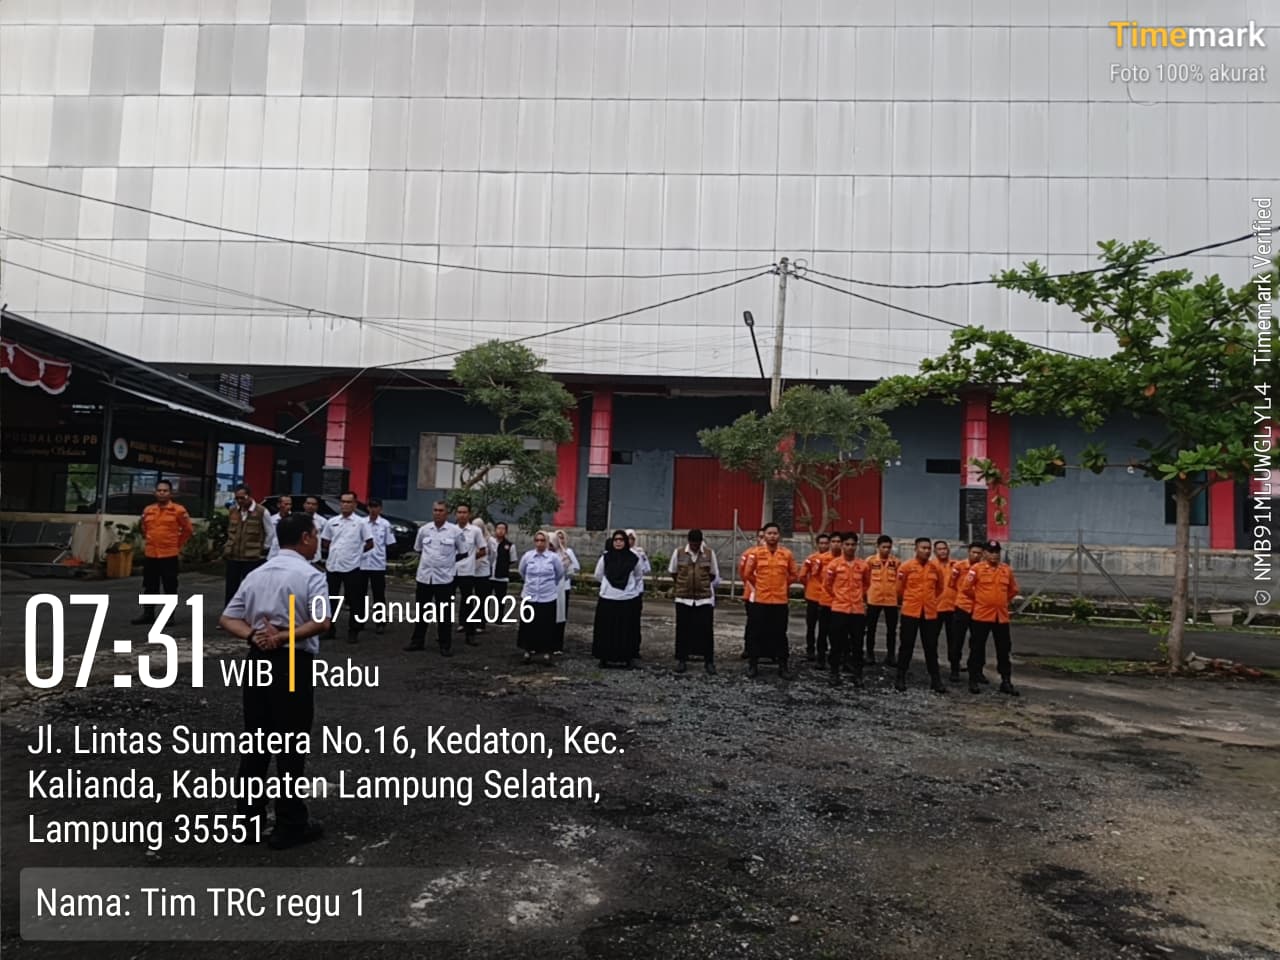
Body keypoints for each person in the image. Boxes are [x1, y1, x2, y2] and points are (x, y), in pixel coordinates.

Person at [218, 511, 330, 850]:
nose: (317, 541)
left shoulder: (257, 574)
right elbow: (322, 622)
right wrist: (281, 637)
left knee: (256, 743)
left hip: (257, 660)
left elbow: (228, 618)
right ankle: (290, 824)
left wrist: (254, 635)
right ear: (306, 537)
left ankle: (247, 821)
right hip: (292, 661)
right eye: (315, 535)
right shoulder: (311, 575)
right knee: (291, 745)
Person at [405, 501, 465, 656]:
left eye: (441, 510)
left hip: (444, 579)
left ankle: (445, 645)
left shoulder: (455, 532)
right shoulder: (424, 530)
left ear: (447, 513)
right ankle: (417, 641)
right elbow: (418, 549)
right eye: (435, 510)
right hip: (425, 577)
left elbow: (463, 552)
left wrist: (447, 563)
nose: (437, 513)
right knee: (422, 612)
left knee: (444, 614)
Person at [961, 540, 1021, 697]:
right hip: (981, 615)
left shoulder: (1006, 570)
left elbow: (1013, 590)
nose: (994, 555)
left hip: (1000, 617)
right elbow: (966, 588)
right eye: (991, 552)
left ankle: (1006, 681)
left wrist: (1002, 601)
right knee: (977, 648)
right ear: (985, 554)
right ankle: (973, 679)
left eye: (997, 552)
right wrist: (981, 599)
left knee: (1003, 649)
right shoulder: (977, 569)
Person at [131, 479, 194, 625]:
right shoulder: (148, 510)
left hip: (169, 555)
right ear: (155, 492)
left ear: (170, 493)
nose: (162, 493)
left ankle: (169, 616)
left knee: (169, 586)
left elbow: (188, 530)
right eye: (159, 490)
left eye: (165, 491)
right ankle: (148, 614)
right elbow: (144, 528)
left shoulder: (178, 510)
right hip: (151, 554)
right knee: (149, 586)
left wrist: (176, 545)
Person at [742, 522, 799, 679]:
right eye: (769, 533)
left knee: (780, 634)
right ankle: (753, 665)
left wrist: (782, 585)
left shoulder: (786, 554)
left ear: (779, 536)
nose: (772, 536)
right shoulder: (756, 553)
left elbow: (794, 574)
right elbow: (747, 574)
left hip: (780, 601)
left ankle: (783, 666)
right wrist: (760, 585)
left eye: (775, 533)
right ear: (764, 536)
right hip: (761, 600)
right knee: (756, 633)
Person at [894, 537, 947, 694]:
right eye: (923, 548)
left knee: (931, 647)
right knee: (906, 645)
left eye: (928, 548)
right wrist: (911, 600)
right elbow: (899, 589)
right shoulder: (906, 567)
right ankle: (900, 677)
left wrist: (929, 600)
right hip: (910, 612)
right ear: (916, 549)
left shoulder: (935, 568)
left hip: (929, 613)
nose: (926, 551)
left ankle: (935, 680)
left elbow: (939, 588)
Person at [320, 490, 372, 644]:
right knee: (331, 599)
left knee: (355, 600)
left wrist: (356, 553)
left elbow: (369, 543)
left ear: (355, 504)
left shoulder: (361, 523)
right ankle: (329, 628)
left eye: (349, 502)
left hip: (352, 566)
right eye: (343, 502)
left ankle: (353, 630)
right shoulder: (332, 521)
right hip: (333, 565)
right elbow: (325, 541)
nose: (345, 505)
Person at [669, 529, 720, 674]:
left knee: (706, 631)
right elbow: (673, 572)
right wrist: (684, 585)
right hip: (683, 598)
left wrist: (701, 585)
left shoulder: (709, 553)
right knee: (682, 630)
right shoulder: (678, 553)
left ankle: (709, 661)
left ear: (701, 542)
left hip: (703, 599)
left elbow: (713, 574)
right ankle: (681, 660)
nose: (695, 547)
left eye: (697, 544)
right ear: (688, 542)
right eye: (692, 544)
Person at [823, 533, 871, 686]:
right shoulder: (834, 565)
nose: (850, 547)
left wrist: (858, 596)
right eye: (847, 544)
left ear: (856, 546)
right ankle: (834, 672)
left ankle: (857, 673)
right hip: (839, 608)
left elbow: (866, 584)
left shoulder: (863, 565)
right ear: (842, 545)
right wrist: (838, 596)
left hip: (857, 610)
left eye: (853, 544)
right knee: (836, 643)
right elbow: (827, 585)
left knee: (857, 643)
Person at [592, 530, 645, 667]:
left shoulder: (633, 558)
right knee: (607, 630)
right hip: (608, 597)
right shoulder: (605, 558)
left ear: (625, 542)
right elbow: (598, 575)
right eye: (616, 540)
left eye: (621, 540)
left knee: (626, 631)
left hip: (627, 598)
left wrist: (630, 587)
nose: (618, 542)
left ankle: (627, 658)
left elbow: (638, 575)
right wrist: (608, 585)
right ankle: (604, 657)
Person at [517, 531, 564, 664]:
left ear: (547, 542)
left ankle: (546, 652)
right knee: (528, 625)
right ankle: (528, 650)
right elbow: (522, 571)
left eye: (542, 540)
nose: (539, 543)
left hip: (547, 597)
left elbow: (559, 573)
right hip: (530, 596)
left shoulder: (553, 558)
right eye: (537, 540)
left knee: (546, 626)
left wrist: (549, 585)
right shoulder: (528, 556)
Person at [948, 542, 987, 683]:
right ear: (968, 552)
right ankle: (954, 669)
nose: (976, 555)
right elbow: (952, 584)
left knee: (978, 641)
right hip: (962, 607)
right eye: (973, 552)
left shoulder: (985, 568)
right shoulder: (959, 567)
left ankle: (977, 670)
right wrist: (963, 596)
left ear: (983, 554)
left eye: (979, 553)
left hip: (979, 608)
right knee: (957, 639)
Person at [224, 485, 270, 605]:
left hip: (252, 557)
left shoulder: (262, 512)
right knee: (231, 588)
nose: (240, 501)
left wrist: (262, 550)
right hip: (233, 555)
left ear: (249, 496)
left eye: (242, 498)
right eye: (237, 498)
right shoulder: (233, 510)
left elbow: (270, 533)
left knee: (250, 588)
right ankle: (229, 611)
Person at [453, 503, 488, 646]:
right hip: (450, 571)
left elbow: (483, 550)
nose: (462, 515)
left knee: (468, 603)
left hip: (467, 572)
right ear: (456, 514)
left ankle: (470, 634)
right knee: (445, 602)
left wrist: (470, 558)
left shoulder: (475, 531)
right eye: (459, 512)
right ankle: (443, 634)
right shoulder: (450, 530)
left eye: (464, 512)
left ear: (469, 514)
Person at [359, 498, 395, 635]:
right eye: (371, 507)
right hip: (362, 563)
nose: (373, 510)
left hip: (377, 564)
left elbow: (390, 543)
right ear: (367, 508)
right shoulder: (361, 523)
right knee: (360, 594)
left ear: (380, 509)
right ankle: (359, 621)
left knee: (378, 595)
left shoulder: (385, 524)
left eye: (376, 507)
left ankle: (380, 622)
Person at [864, 535, 900, 666]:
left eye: (888, 547)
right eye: (883, 547)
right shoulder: (870, 561)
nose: (886, 550)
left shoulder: (896, 562)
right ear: (877, 547)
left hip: (891, 600)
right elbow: (865, 579)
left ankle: (891, 655)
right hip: (874, 599)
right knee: (871, 628)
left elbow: (899, 581)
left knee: (892, 630)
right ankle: (869, 654)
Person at [800, 533, 834, 665]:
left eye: (826, 543)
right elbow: (802, 576)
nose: (824, 546)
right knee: (811, 625)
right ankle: (810, 649)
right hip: (813, 596)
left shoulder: (835, 559)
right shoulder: (811, 558)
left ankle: (823, 649)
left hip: (827, 598)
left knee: (826, 626)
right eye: (821, 543)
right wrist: (809, 586)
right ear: (817, 544)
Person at [932, 540, 958, 679]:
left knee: (954, 640)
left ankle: (954, 668)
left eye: (944, 549)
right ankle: (933, 666)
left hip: (953, 608)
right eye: (939, 549)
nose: (942, 551)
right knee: (932, 639)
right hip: (935, 608)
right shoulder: (931, 566)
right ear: (935, 551)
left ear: (948, 550)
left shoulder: (956, 565)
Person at [738, 528, 765, 659]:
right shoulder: (748, 554)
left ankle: (766, 650)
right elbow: (743, 573)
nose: (763, 540)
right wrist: (751, 586)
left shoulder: (778, 554)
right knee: (752, 623)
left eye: (764, 537)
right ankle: (748, 648)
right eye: (760, 537)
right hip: (751, 594)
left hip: (770, 595)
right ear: (757, 538)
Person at [552, 530, 581, 649]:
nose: (560, 540)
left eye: (562, 538)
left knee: (561, 615)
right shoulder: (550, 552)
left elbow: (576, 567)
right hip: (549, 588)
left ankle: (558, 643)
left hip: (564, 587)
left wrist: (567, 572)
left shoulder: (568, 552)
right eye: (558, 538)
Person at [489, 521, 519, 616]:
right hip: (489, 575)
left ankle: (499, 617)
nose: (500, 531)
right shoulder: (490, 542)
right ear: (495, 530)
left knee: (500, 599)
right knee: (486, 598)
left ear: (506, 531)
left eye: (503, 529)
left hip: (502, 577)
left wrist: (503, 565)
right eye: (499, 528)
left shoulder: (510, 545)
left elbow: (512, 560)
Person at [470, 516, 492, 632]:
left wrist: (484, 563)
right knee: (469, 599)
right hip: (470, 571)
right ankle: (468, 622)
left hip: (483, 573)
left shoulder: (489, 540)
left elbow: (493, 556)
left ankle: (480, 623)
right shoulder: (470, 538)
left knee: (482, 599)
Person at [266, 494, 293, 560]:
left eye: (290, 504)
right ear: (278, 505)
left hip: (289, 554)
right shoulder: (271, 520)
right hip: (274, 553)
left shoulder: (295, 520)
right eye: (286, 504)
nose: (288, 507)